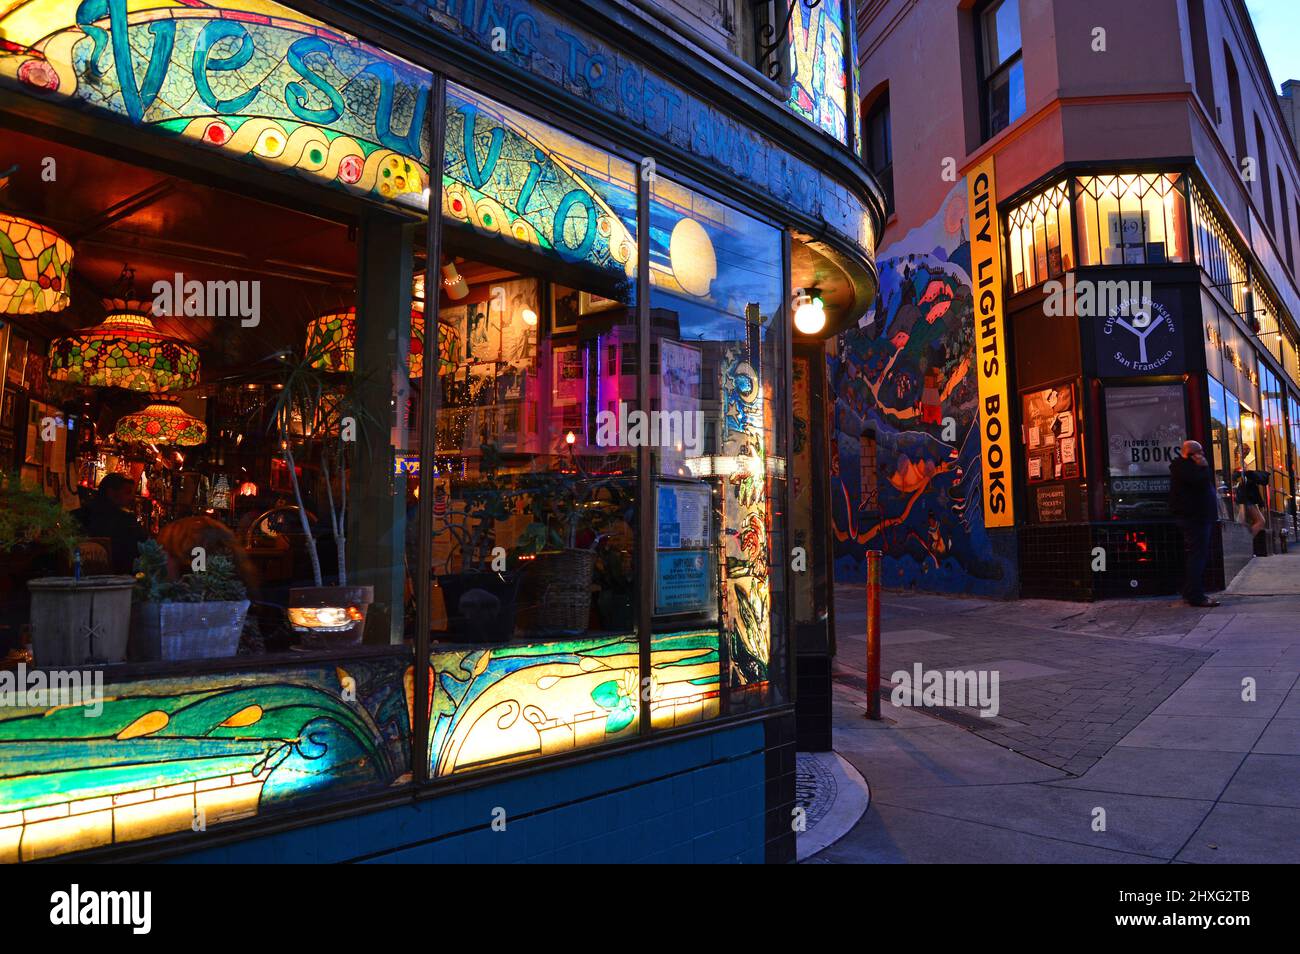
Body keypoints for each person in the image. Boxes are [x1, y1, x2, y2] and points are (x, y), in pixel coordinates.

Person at [1168, 440, 1220, 608]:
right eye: (1200, 452)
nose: (1203, 455)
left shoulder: (1186, 468)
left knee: (1197, 555)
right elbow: (1200, 483)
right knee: (1197, 556)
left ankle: (1190, 591)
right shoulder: (1186, 468)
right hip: (1195, 518)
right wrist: (1204, 467)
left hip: (1197, 517)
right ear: (1192, 454)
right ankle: (1196, 596)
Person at [71, 474, 148, 575]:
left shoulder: (80, 514)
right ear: (111, 493)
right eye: (128, 492)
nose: (132, 497)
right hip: (120, 579)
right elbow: (144, 548)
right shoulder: (126, 521)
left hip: (82, 578)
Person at [1234, 468, 1267, 538]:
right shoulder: (1249, 481)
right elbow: (1256, 495)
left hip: (1244, 502)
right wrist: (1261, 505)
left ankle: (1244, 538)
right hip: (1247, 502)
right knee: (1260, 521)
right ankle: (1247, 539)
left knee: (1242, 520)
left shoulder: (1244, 482)